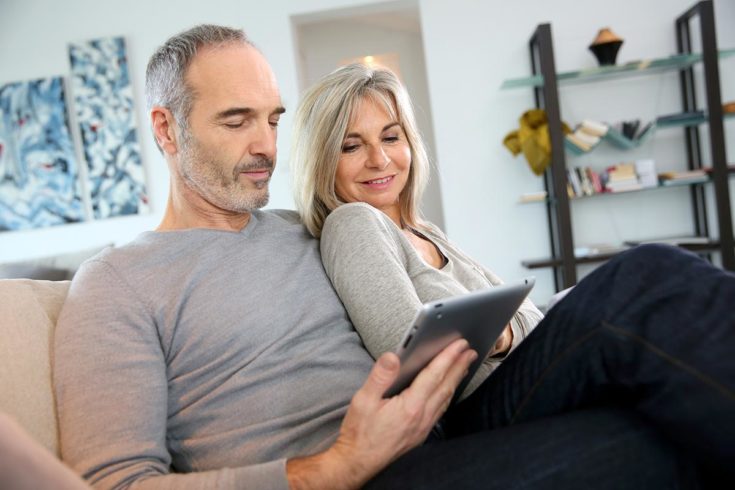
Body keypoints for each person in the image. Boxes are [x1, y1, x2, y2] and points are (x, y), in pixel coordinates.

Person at [51, 24, 723, 490]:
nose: (264, 146)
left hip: (440, 440)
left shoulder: (303, 230)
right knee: (646, 313)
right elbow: (110, 481)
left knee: (657, 394)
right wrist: (331, 467)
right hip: (355, 478)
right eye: (236, 121)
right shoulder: (115, 284)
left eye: (274, 119)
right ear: (165, 126)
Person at [289, 63, 735, 482]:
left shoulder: (426, 232)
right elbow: (409, 355)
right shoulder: (353, 223)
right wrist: (502, 332)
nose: (379, 159)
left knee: (657, 390)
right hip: (473, 407)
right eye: (352, 146)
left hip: (509, 382)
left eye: (390, 137)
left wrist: (500, 334)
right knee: (645, 272)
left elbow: (526, 320)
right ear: (324, 161)